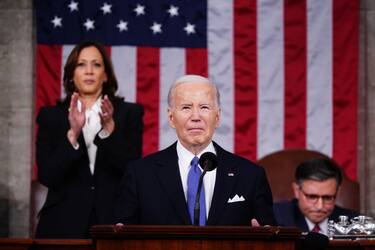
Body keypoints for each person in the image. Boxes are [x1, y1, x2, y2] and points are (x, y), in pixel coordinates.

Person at [116, 74, 276, 226]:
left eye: (204, 107)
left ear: (218, 117)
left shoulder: (250, 175)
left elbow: (271, 235)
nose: (196, 116)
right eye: (186, 107)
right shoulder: (140, 175)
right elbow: (123, 237)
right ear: (171, 117)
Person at [35, 41, 143, 238]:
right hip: (61, 225)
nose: (89, 71)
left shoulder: (129, 113)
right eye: (81, 64)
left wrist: (109, 132)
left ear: (106, 75)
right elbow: (48, 176)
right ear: (71, 75)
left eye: (96, 64)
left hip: (113, 224)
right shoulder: (50, 116)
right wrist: (72, 136)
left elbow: (133, 173)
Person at [273, 158, 358, 235]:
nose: (319, 206)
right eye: (312, 197)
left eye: (327, 198)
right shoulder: (277, 218)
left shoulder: (354, 224)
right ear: (296, 191)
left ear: (337, 193)